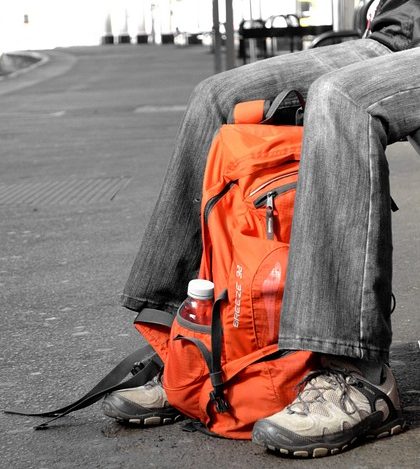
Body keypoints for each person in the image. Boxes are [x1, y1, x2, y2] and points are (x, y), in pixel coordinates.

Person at [101, 0, 420, 458]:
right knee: (217, 97)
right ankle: (191, 347)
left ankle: (357, 374)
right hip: (397, 34)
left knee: (342, 99)